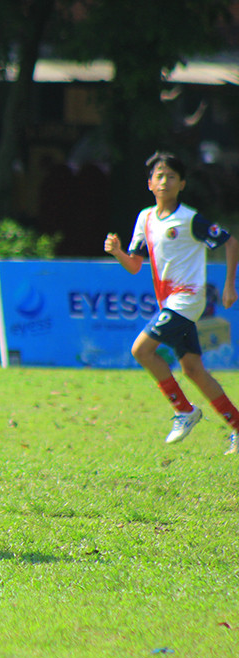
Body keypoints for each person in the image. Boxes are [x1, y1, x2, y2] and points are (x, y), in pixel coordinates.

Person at [104, 151, 239, 455]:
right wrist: (116, 251)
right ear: (150, 183)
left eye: (171, 177)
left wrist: (230, 285)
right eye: (159, 176)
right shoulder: (145, 218)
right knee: (192, 369)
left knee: (141, 349)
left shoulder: (190, 219)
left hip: (187, 300)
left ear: (182, 184)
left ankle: (185, 411)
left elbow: (231, 242)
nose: (165, 181)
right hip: (170, 303)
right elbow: (135, 264)